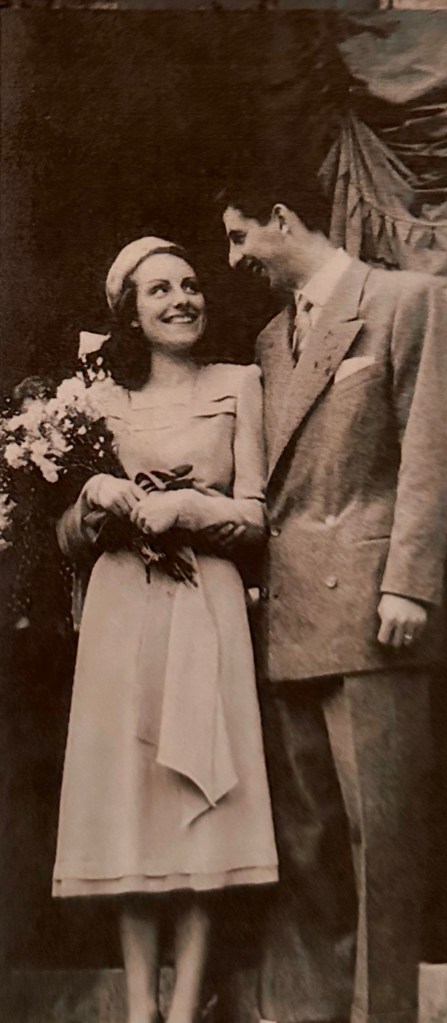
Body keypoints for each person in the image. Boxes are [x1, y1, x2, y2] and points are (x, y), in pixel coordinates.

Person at [221, 174, 447, 1023]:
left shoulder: (403, 301)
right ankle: (311, 1012)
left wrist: (409, 582)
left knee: (381, 845)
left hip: (372, 614)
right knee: (309, 841)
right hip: (290, 617)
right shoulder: (269, 339)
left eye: (240, 235)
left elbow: (432, 443)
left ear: (281, 218)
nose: (234, 258)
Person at [52, 236, 278, 1023]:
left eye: (189, 285)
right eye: (161, 291)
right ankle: (138, 1008)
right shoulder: (96, 401)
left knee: (198, 796)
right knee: (131, 800)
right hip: (121, 613)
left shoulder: (239, 384)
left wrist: (189, 508)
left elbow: (256, 516)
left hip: (206, 604)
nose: (182, 299)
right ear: (131, 315)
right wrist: (94, 496)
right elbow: (65, 540)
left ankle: (184, 1007)